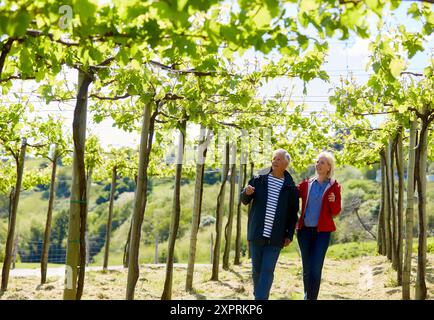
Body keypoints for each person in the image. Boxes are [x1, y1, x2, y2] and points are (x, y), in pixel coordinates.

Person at [241, 149, 299, 300]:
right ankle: (260, 297)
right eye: (273, 158)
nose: (274, 161)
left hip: (276, 237)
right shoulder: (259, 178)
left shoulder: (291, 188)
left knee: (267, 269)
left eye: (278, 159)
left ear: (286, 164)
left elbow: (293, 214)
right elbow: (244, 200)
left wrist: (289, 234)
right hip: (257, 233)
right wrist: (246, 192)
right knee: (256, 270)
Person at [296, 151, 341, 300]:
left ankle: (310, 298)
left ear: (329, 167)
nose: (318, 165)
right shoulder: (306, 183)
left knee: (316, 267)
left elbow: (336, 212)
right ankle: (307, 295)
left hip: (323, 233)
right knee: (307, 267)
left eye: (322, 162)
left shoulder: (334, 186)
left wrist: (333, 200)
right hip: (304, 231)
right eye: (317, 162)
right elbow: (292, 194)